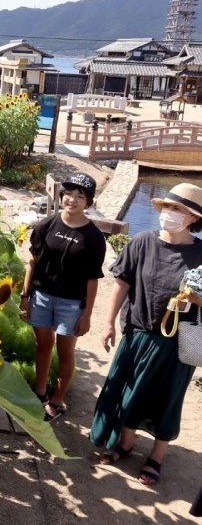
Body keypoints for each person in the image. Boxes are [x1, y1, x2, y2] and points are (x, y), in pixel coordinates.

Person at [91, 183, 202, 486]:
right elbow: (121, 285)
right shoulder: (141, 242)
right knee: (130, 392)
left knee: (167, 399)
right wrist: (109, 323)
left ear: (192, 218)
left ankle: (156, 457)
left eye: (178, 209)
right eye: (168, 206)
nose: (170, 213)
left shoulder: (201, 254)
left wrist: (196, 299)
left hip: (178, 344)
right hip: (137, 333)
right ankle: (126, 445)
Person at [20, 173, 106, 421]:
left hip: (71, 304)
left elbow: (92, 279)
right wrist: (25, 296)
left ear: (88, 203)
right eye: (69, 194)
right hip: (42, 297)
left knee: (66, 351)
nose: (73, 200)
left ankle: (57, 400)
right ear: (61, 196)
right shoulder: (45, 225)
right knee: (43, 345)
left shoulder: (94, 238)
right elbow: (32, 262)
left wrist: (87, 314)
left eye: (81, 196)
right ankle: (40, 392)